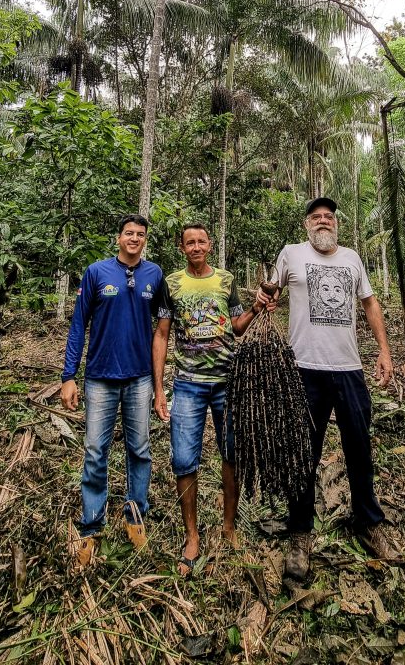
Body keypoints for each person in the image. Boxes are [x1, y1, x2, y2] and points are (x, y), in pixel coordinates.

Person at [257, 196, 396, 580]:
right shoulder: (291, 254)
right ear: (306, 224)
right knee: (304, 453)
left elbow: (369, 303)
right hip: (304, 369)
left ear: (336, 224)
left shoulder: (352, 258)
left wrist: (383, 351)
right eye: (316, 217)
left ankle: (368, 523)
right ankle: (300, 533)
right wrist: (263, 298)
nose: (323, 221)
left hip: (349, 368)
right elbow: (271, 293)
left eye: (329, 217)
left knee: (359, 448)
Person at [60, 214, 168, 567]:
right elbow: (79, 325)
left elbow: (161, 332)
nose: (134, 239)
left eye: (140, 234)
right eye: (128, 233)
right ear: (118, 238)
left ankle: (135, 514)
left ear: (145, 240)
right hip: (100, 377)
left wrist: (158, 384)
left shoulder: (155, 275)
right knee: (95, 451)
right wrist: (68, 376)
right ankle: (91, 524)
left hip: (138, 378)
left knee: (139, 449)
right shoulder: (96, 272)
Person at [152, 223, 259, 576]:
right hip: (188, 385)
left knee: (231, 453)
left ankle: (229, 526)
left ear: (209, 245)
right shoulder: (171, 284)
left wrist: (257, 307)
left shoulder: (226, 281)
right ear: (182, 248)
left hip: (228, 382)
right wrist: (158, 388)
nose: (196, 246)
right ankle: (192, 535)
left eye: (201, 241)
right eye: (189, 242)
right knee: (184, 459)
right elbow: (163, 334)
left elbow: (238, 325)